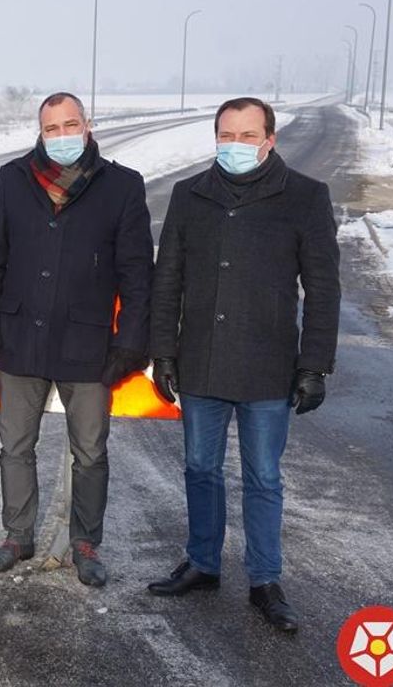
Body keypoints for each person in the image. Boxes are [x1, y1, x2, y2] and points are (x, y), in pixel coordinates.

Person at [146, 97, 340, 634]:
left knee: (264, 476)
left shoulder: (304, 197)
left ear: (269, 139)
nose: (236, 145)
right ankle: (203, 563)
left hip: (267, 366)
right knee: (200, 468)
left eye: (248, 135)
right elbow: (169, 280)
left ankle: (265, 580)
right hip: (202, 361)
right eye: (226, 135)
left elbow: (323, 288)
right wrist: (163, 351)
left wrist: (315, 364)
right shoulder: (191, 195)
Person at [0, 92, 153, 586]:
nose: (61, 136)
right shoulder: (14, 178)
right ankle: (17, 535)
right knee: (15, 446)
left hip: (88, 346)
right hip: (18, 339)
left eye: (70, 125)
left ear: (87, 125)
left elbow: (138, 275)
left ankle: (85, 542)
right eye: (52, 128)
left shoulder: (121, 186)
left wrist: (130, 343)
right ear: (40, 131)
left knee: (91, 451)